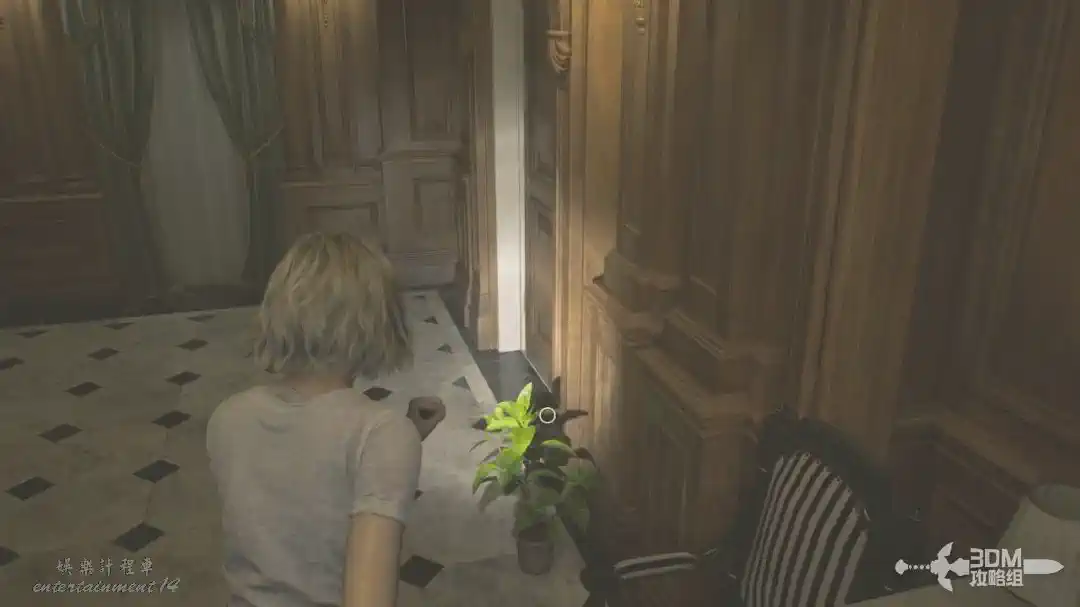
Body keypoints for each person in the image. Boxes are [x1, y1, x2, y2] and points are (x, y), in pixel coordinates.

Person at [207, 232, 446, 607]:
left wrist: (409, 436)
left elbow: (302, 478)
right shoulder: (382, 435)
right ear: (379, 323)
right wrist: (399, 440)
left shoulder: (228, 418)